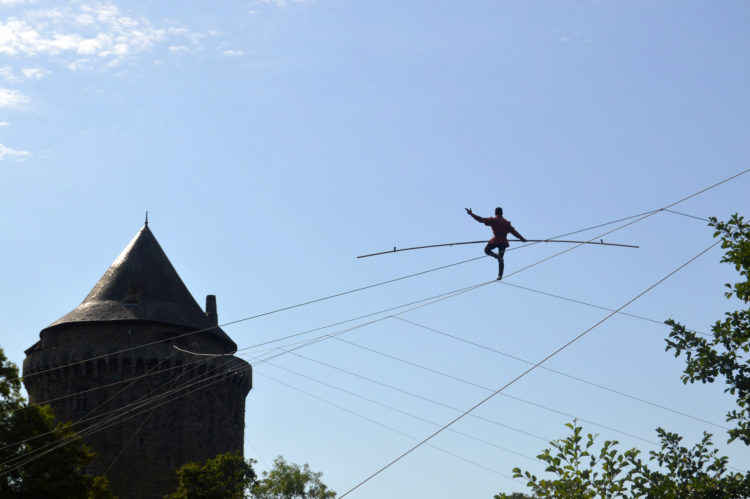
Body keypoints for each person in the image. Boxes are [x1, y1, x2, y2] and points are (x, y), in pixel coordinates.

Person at [466, 207, 527, 280]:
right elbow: (514, 232)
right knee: (501, 259)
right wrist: (522, 238)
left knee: (486, 250)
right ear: (502, 213)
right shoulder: (506, 223)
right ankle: (500, 275)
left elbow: (481, 220)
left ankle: (496, 256)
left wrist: (471, 214)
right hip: (503, 242)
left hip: (496, 240)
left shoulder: (493, 220)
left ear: (495, 213)